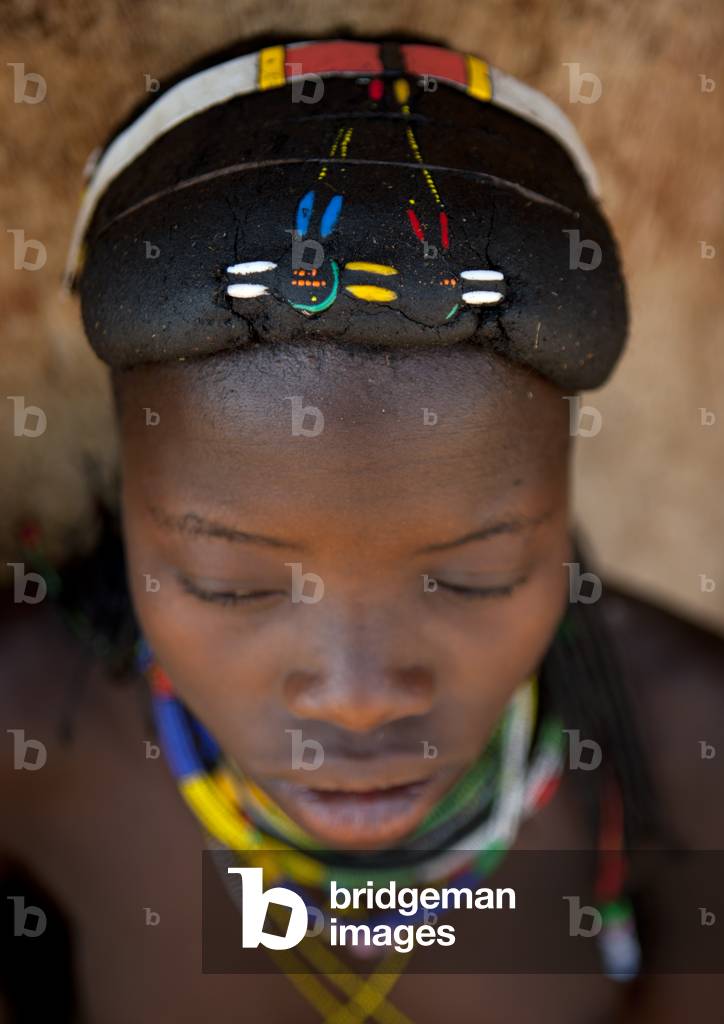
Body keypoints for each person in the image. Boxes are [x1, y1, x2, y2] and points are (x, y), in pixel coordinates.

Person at [2, 31, 724, 1024]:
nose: (355, 698)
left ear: (562, 507)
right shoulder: (35, 731)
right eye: (230, 582)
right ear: (131, 506)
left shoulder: (685, 747)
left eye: (478, 575)